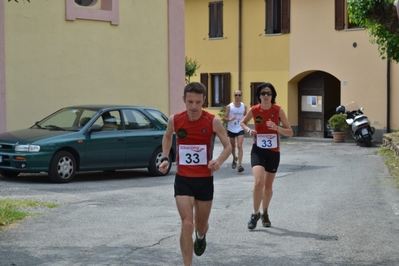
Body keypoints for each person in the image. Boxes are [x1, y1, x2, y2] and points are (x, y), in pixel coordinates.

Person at [159, 82, 232, 266]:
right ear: (184, 100)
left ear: (203, 101)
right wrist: (165, 157)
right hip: (183, 178)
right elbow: (168, 136)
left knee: (200, 226)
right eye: (190, 101)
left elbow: (228, 146)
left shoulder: (212, 121)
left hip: (204, 180)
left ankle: (201, 236)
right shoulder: (175, 120)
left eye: (198, 102)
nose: (193, 107)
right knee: (187, 224)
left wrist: (218, 161)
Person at [240, 82, 293, 230]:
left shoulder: (278, 110)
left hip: (273, 152)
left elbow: (290, 132)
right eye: (263, 93)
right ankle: (254, 213)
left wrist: (277, 128)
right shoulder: (254, 110)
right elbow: (242, 122)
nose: (266, 96)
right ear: (259, 96)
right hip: (258, 149)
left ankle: (265, 212)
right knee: (258, 182)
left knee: (268, 187)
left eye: (269, 93)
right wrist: (248, 130)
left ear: (272, 96)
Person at [223, 90, 247, 172]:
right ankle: (234, 157)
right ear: (234, 96)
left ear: (241, 96)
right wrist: (230, 119)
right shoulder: (229, 106)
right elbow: (224, 118)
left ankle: (240, 165)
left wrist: (244, 123)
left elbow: (246, 116)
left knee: (240, 145)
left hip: (240, 128)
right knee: (232, 147)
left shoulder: (244, 106)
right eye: (236, 95)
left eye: (239, 95)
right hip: (231, 128)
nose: (237, 96)